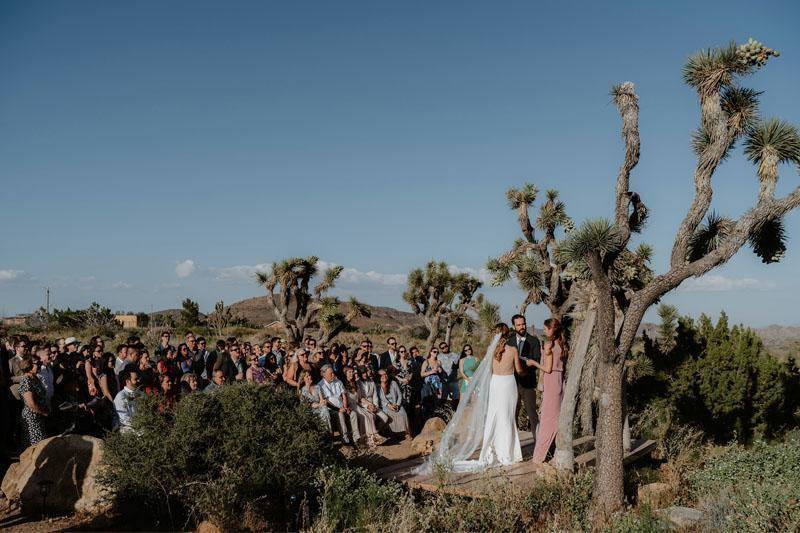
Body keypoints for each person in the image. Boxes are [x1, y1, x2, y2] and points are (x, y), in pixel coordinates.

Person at [532, 318, 568, 463]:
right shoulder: (563, 344)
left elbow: (547, 368)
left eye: (547, 328)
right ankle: (553, 452)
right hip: (560, 381)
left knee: (547, 419)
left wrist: (533, 362)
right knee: (556, 417)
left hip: (552, 381)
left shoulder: (549, 345)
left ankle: (539, 456)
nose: (545, 330)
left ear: (553, 329)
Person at [509, 314, 541, 438]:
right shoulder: (509, 341)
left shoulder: (534, 341)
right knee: (512, 414)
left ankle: (538, 445)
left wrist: (521, 365)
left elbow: (536, 360)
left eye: (523, 324)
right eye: (519, 325)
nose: (522, 327)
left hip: (528, 383)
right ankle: (514, 446)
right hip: (512, 384)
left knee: (532, 414)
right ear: (514, 326)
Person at [317, 364, 359, 445]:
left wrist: (345, 406)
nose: (333, 375)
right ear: (324, 374)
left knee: (353, 414)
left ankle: (356, 437)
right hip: (332, 409)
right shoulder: (320, 385)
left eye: (333, 373)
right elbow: (325, 402)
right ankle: (345, 438)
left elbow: (344, 395)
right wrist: (338, 409)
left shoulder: (338, 382)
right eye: (331, 373)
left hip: (342, 406)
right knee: (340, 415)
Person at [343, 366, 384, 447]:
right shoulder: (343, 384)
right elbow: (343, 399)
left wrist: (370, 404)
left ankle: (374, 437)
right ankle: (365, 439)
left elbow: (360, 398)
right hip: (350, 406)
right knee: (364, 416)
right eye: (349, 372)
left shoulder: (355, 383)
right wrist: (346, 407)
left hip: (358, 404)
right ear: (346, 374)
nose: (352, 374)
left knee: (371, 415)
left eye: (352, 372)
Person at [18, 357, 49, 447]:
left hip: (39, 415)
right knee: (36, 445)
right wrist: (43, 412)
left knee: (43, 443)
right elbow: (31, 403)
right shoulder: (26, 381)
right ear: (29, 366)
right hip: (32, 417)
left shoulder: (34, 378)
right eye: (36, 364)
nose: (39, 366)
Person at [377, 370, 412, 440]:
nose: (385, 376)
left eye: (385, 374)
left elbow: (400, 395)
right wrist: (388, 405)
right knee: (390, 415)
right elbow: (379, 400)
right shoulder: (377, 386)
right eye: (382, 375)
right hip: (385, 406)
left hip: (396, 403)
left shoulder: (393, 383)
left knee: (403, 414)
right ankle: (395, 433)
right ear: (379, 378)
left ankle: (406, 432)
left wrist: (397, 405)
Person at [113, 366, 140, 433]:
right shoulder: (120, 397)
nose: (138, 381)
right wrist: (140, 424)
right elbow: (124, 419)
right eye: (135, 379)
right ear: (128, 381)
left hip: (140, 425)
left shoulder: (141, 394)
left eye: (138, 379)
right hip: (126, 428)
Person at [438, 342, 461, 407]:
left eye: (446, 346)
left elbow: (459, 366)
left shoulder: (455, 355)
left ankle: (455, 413)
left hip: (453, 379)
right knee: (443, 398)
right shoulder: (439, 357)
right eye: (443, 348)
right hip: (444, 380)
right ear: (441, 349)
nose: (445, 348)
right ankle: (443, 413)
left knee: (456, 398)